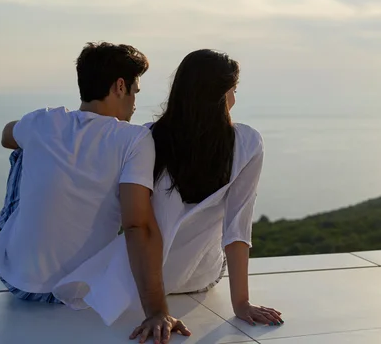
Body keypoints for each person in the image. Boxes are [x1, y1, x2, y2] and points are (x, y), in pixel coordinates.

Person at [53, 49, 282, 330]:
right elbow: (237, 229)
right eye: (233, 91)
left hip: (139, 279)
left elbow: (130, 221)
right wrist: (242, 304)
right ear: (220, 96)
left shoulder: (145, 137)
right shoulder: (248, 143)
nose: (234, 98)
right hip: (200, 275)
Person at [0, 42, 190, 343]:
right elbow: (137, 225)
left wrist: (43, 136)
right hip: (83, 291)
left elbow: (7, 135)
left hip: (18, 282)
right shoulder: (134, 139)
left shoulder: (43, 120)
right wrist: (157, 311)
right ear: (120, 86)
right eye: (135, 91)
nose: (135, 102)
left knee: (22, 151)